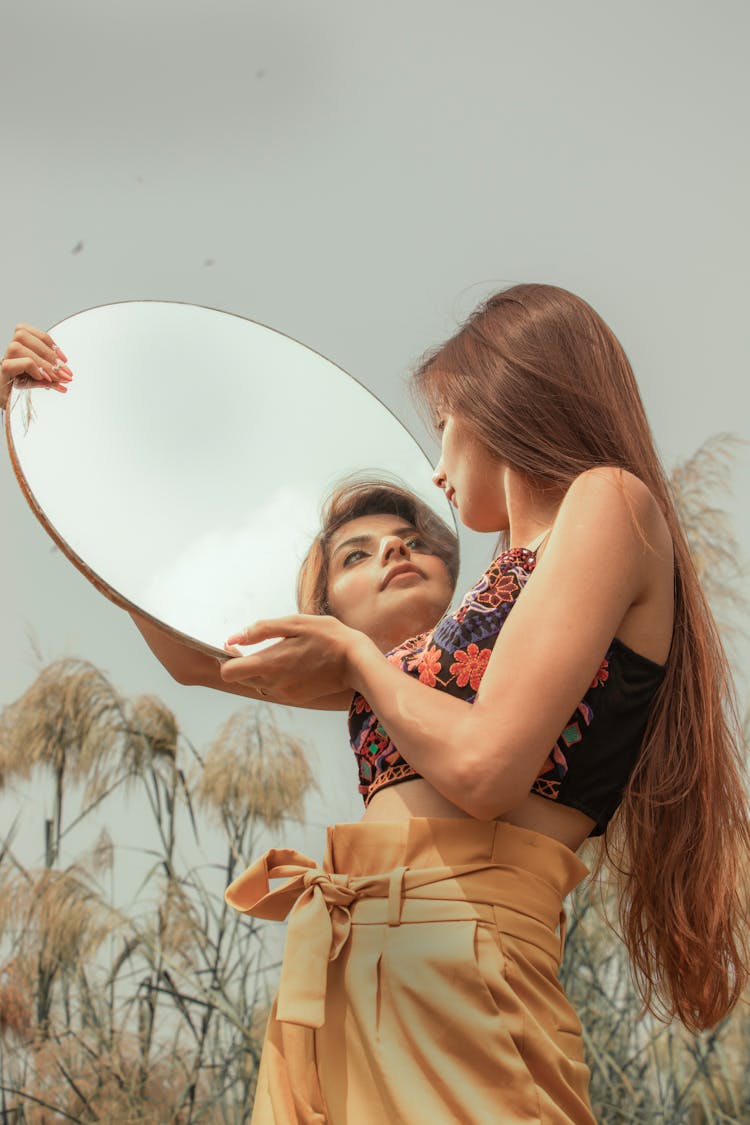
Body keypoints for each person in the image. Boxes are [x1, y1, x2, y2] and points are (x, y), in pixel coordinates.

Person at [3, 285, 749, 1124]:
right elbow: (198, 658)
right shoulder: (456, 627)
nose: (436, 467)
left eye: (442, 427)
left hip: (467, 966)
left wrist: (358, 654)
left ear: (496, 402)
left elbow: (485, 767)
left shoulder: (608, 500)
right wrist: (55, 445)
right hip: (353, 964)